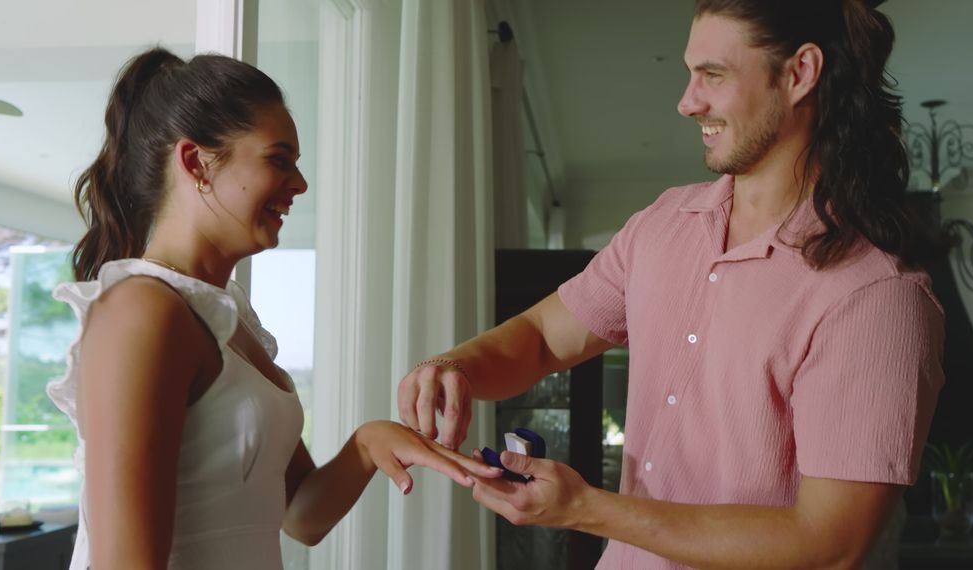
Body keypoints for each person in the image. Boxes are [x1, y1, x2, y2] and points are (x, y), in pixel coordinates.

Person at [397, 1, 945, 568]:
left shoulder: (877, 296)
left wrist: (584, 507)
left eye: (713, 75)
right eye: (691, 74)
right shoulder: (662, 225)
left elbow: (829, 543)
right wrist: (454, 367)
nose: (687, 102)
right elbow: (542, 336)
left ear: (800, 73)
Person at [47, 47, 501, 570]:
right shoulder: (142, 311)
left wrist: (369, 441)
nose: (300, 184)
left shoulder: (225, 317)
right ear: (196, 161)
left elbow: (301, 515)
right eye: (278, 159)